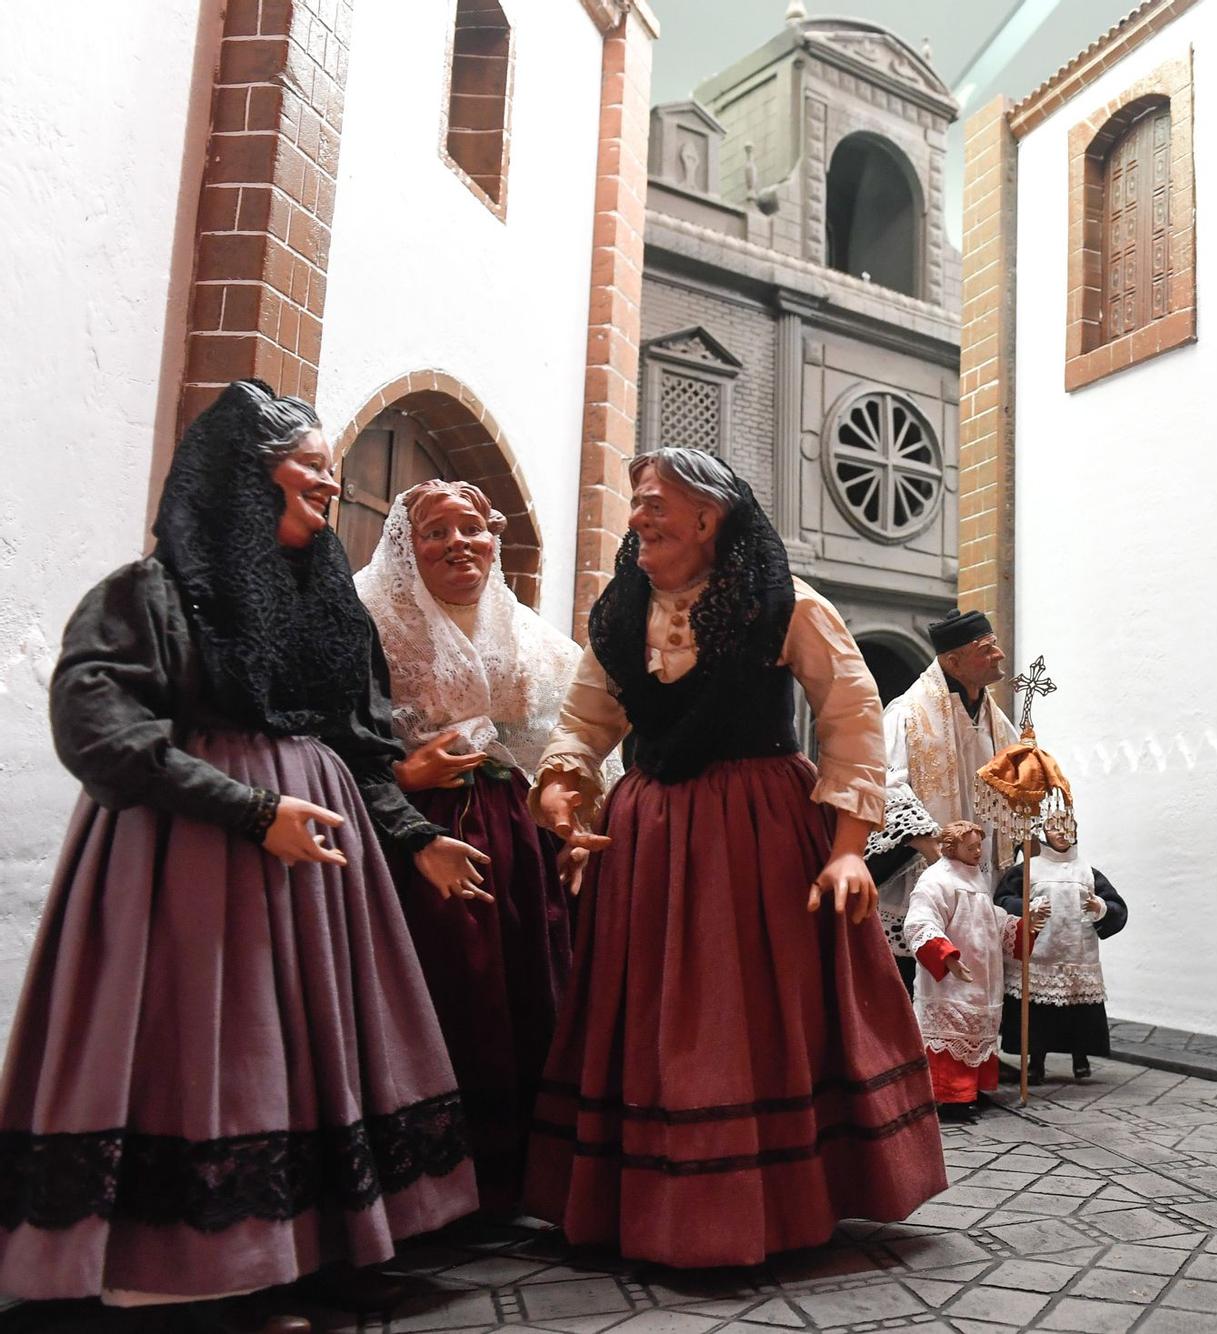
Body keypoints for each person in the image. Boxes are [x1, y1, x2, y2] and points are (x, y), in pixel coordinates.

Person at [0, 381, 482, 1323]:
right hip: (185, 870)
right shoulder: (149, 596)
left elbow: (358, 746)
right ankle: (203, 1268)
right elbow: (96, 730)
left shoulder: (326, 604)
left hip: (318, 873)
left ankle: (319, 1248)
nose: (331, 486)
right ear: (243, 474)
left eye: (333, 470)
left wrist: (416, 838)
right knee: (215, 1052)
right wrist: (252, 809)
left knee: (308, 1053)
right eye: (311, 467)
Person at [522, 446, 946, 1268]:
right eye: (637, 502)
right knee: (654, 1009)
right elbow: (585, 721)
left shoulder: (787, 606)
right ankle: (652, 1199)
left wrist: (850, 850)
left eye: (653, 503)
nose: (638, 517)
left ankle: (782, 1202)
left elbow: (853, 719)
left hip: (761, 832)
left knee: (754, 1008)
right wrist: (561, 785)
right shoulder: (620, 615)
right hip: (648, 835)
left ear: (708, 518)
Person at [355, 480, 588, 1212]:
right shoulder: (368, 618)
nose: (459, 543)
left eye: (473, 528)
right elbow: (334, 730)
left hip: (511, 830)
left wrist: (570, 815)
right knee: (442, 980)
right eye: (435, 532)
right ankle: (428, 1183)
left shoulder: (527, 632)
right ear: (406, 547)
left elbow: (566, 732)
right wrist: (403, 769)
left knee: (521, 979)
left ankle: (513, 1174)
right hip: (411, 828)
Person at [872, 610, 1018, 990]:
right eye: (986, 649)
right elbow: (885, 784)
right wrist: (939, 856)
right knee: (920, 974)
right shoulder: (907, 715)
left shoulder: (999, 724)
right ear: (953, 661)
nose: (999, 655)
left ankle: (973, 1049)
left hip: (982, 873)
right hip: (929, 872)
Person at [905, 822, 1047, 1122]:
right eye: (971, 847)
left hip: (983, 977)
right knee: (951, 1037)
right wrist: (946, 955)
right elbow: (920, 922)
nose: (978, 852)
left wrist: (1022, 924)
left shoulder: (976, 878)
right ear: (952, 847)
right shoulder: (936, 880)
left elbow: (989, 919)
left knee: (978, 1035)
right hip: (952, 979)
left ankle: (972, 1090)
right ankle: (950, 1096)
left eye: (979, 846)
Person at [995, 810, 1127, 1084]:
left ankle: (1081, 1058)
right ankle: (1036, 1061)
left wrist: (1100, 908)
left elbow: (1117, 907)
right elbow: (1003, 900)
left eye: (1068, 827)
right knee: (1039, 1015)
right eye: (1055, 827)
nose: (1062, 833)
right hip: (1040, 952)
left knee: (1077, 1011)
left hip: (1077, 952)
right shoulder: (1030, 870)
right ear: (1044, 832)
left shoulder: (1088, 872)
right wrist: (1026, 909)